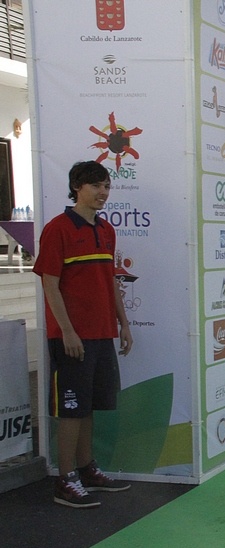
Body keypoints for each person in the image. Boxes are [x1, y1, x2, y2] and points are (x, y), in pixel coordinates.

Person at [33, 160, 133, 509]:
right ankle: (65, 479)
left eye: (107, 186)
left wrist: (124, 324)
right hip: (71, 337)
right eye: (96, 186)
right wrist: (67, 332)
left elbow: (111, 282)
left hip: (102, 334)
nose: (103, 192)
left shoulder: (106, 230)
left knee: (89, 405)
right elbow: (50, 283)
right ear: (77, 187)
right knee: (71, 409)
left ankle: (87, 469)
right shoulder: (57, 228)